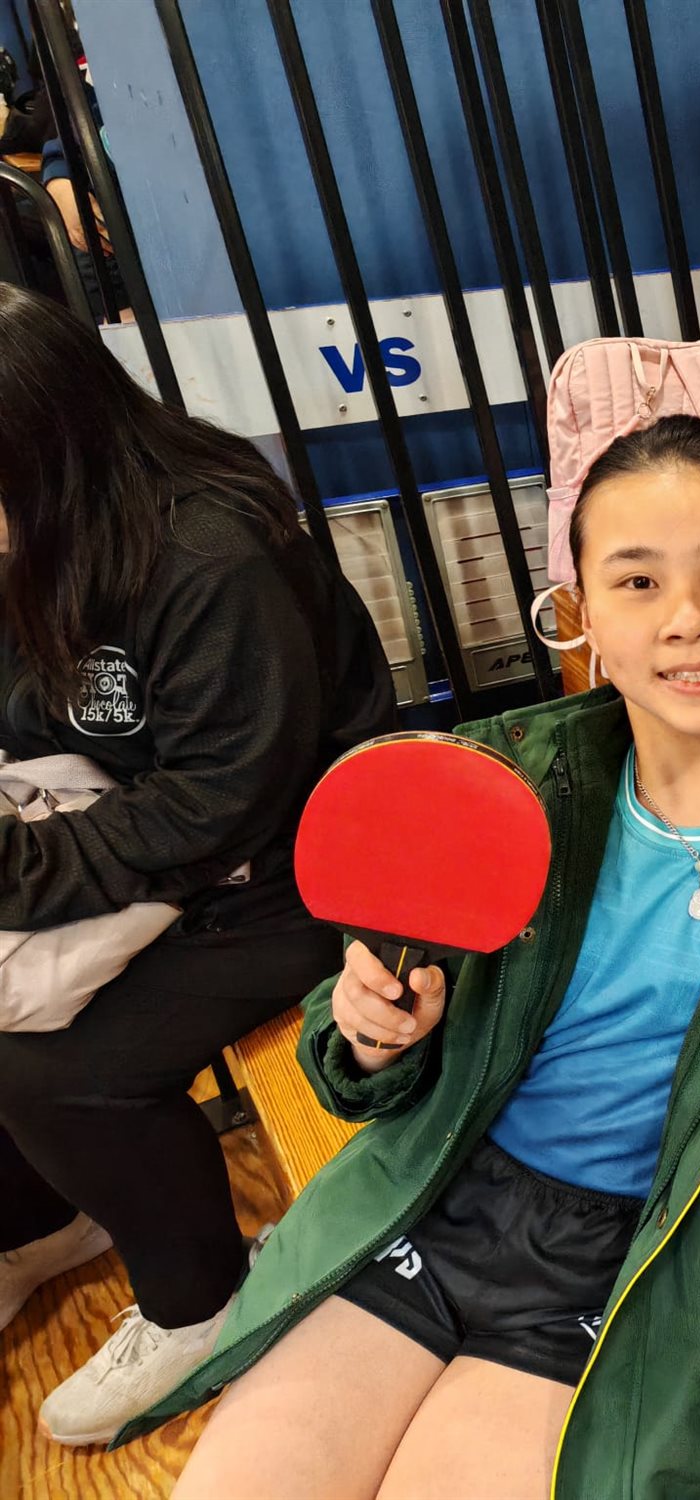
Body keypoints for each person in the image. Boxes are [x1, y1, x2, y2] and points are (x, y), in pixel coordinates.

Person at [142, 416, 700, 1500]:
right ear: (581, 619)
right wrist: (375, 1032)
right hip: (431, 1196)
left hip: (632, 1266)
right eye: (637, 582)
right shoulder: (501, 786)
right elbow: (356, 1072)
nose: (687, 617)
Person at [0, 282, 395, 1445]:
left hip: (297, 868)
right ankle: (44, 1223)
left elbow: (221, 802)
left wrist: (25, 871)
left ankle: (200, 1303)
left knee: (54, 1068)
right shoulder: (42, 526)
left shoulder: (207, 554)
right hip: (131, 827)